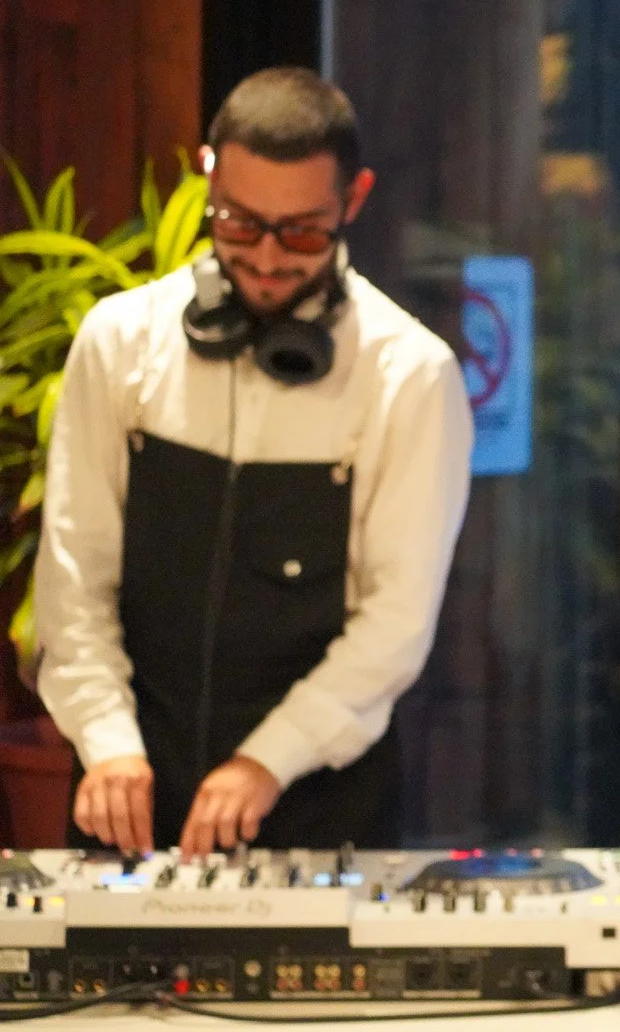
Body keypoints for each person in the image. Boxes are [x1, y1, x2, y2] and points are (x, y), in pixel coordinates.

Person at [35, 67, 473, 855]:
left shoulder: (409, 375)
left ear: (354, 199)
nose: (267, 258)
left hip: (321, 804)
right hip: (131, 786)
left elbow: (396, 623)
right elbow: (75, 572)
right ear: (209, 177)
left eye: (302, 232)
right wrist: (107, 740)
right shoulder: (119, 342)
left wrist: (266, 761)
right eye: (239, 224)